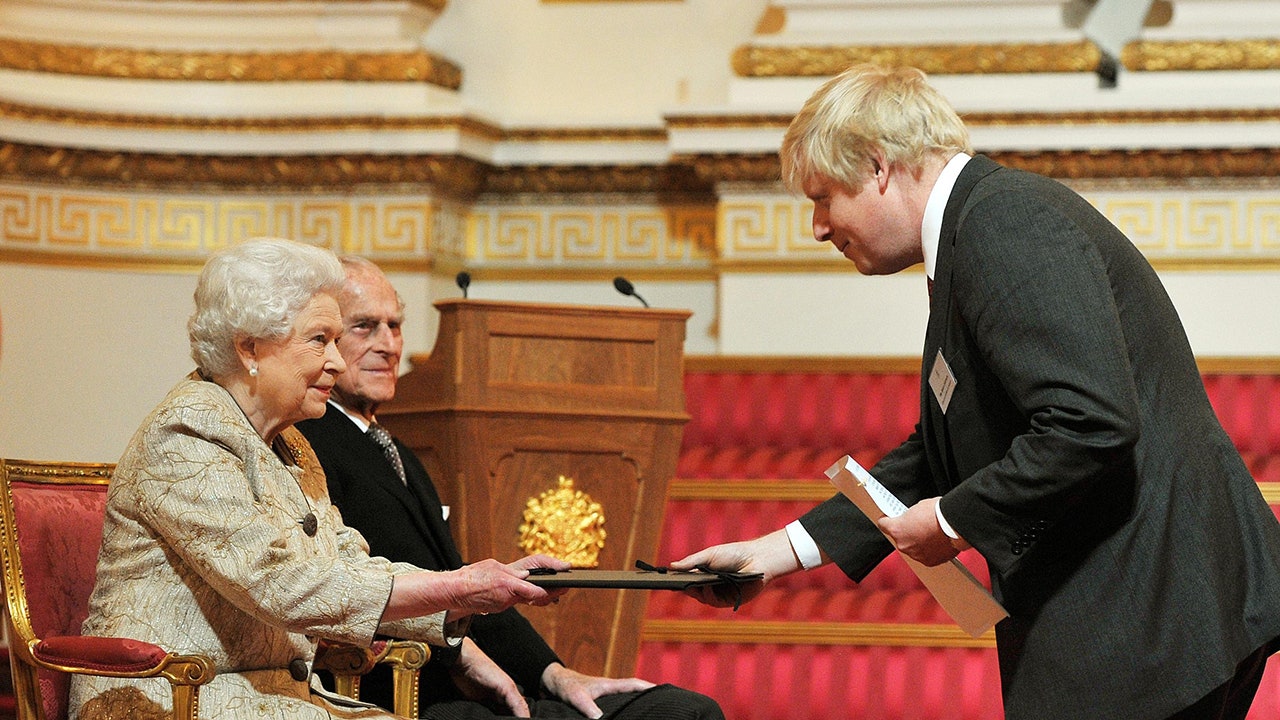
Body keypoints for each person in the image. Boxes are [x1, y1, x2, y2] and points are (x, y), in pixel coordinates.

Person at [671, 64, 1280, 720]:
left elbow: (1090, 421)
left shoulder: (1002, 224)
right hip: (1147, 612)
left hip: (1149, 614)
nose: (817, 227)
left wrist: (953, 521)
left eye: (823, 196)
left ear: (878, 167)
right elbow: (936, 453)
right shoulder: (972, 234)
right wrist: (773, 554)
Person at [69, 238, 566, 720]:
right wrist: (458, 586)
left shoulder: (291, 444)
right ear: (250, 348)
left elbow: (347, 561)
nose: (336, 360)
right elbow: (283, 583)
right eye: (319, 340)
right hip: (175, 697)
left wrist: (474, 590)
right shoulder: (186, 434)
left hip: (267, 696)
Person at [296, 256, 725, 720]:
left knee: (682, 711)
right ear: (326, 342)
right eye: (365, 327)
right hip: (408, 691)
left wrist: (555, 674)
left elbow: (462, 581)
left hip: (488, 689)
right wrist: (462, 653)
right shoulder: (310, 444)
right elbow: (345, 585)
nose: (388, 344)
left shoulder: (396, 451)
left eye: (395, 326)